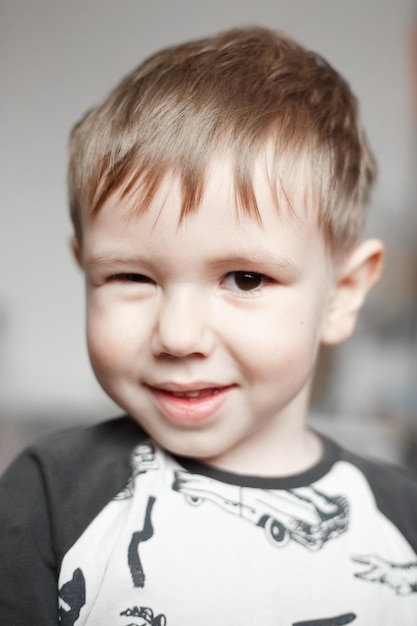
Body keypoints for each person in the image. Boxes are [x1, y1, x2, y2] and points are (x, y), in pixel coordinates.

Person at [0, 26, 416, 626]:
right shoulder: (50, 498)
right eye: (132, 278)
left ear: (342, 295)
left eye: (245, 279)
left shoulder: (400, 520)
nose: (178, 336)